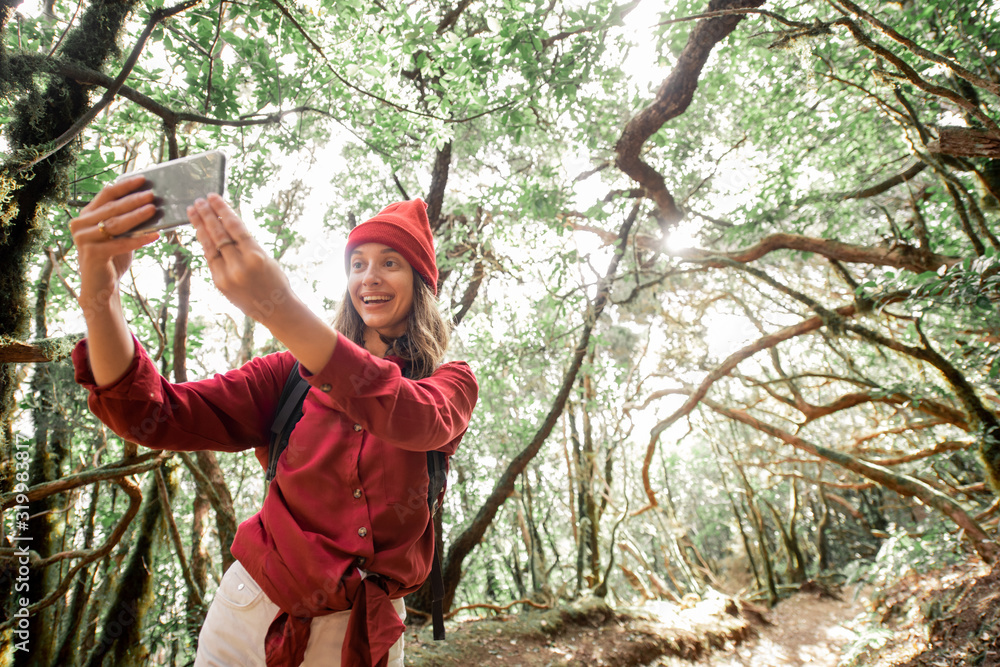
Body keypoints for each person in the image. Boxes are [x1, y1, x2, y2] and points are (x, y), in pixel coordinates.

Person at [69, 176, 479, 666]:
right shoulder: (288, 375)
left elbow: (412, 417)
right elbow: (153, 413)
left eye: (389, 263)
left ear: (421, 281)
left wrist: (277, 306)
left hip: (364, 635)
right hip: (250, 611)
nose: (369, 277)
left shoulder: (449, 381)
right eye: (357, 264)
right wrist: (101, 293)